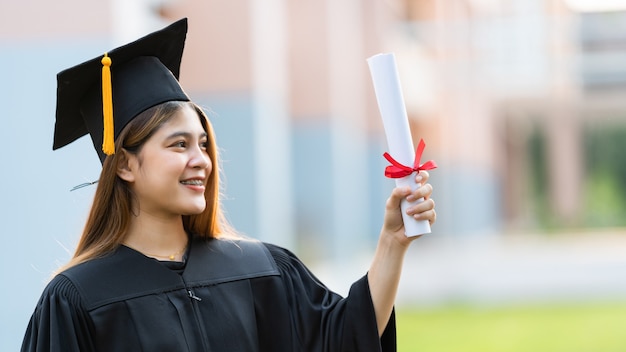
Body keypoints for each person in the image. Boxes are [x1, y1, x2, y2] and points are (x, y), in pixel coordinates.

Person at [21, 18, 436, 352]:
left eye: (203, 143)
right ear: (126, 164)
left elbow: (347, 337)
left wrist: (392, 242)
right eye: (178, 145)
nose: (200, 159)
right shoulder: (78, 299)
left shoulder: (261, 269)